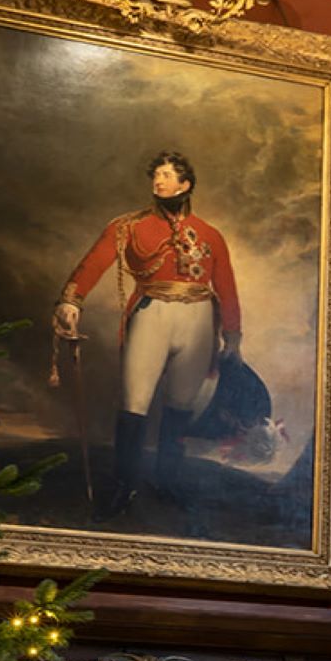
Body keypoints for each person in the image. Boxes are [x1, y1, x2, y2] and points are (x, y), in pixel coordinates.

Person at [50, 152, 242, 518]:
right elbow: (94, 262)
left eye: (167, 175)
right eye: (156, 175)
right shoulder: (127, 227)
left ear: (185, 185)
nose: (158, 181)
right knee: (134, 403)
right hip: (152, 313)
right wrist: (71, 300)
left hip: (199, 320)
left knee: (181, 404)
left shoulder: (211, 236)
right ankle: (126, 485)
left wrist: (233, 336)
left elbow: (227, 287)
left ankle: (167, 481)